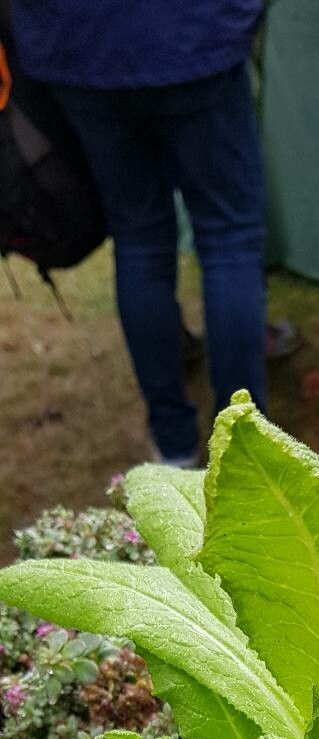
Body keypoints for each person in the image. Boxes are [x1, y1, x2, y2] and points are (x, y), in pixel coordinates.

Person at [9, 0, 279, 466]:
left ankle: (175, 443)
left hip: (82, 45)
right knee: (227, 239)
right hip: (190, 34)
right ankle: (242, 451)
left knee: (141, 240)